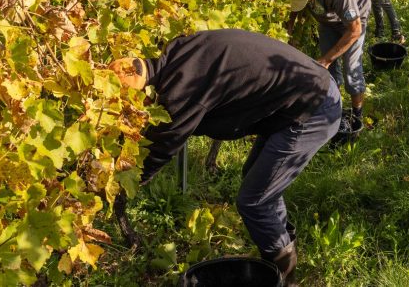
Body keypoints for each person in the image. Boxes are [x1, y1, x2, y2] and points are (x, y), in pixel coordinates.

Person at [109, 29, 341, 285]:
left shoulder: (179, 92)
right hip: (304, 88)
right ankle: (278, 252)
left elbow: (163, 144)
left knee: (254, 200)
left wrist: (127, 182)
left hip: (314, 106)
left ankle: (285, 278)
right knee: (258, 182)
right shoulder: (176, 51)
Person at [287, 0, 371, 121]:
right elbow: (295, 4)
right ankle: (333, 108)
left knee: (351, 69)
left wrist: (326, 60)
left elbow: (354, 30)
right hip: (328, 17)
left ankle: (357, 116)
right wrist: (288, 32)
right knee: (328, 70)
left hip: (356, 16)